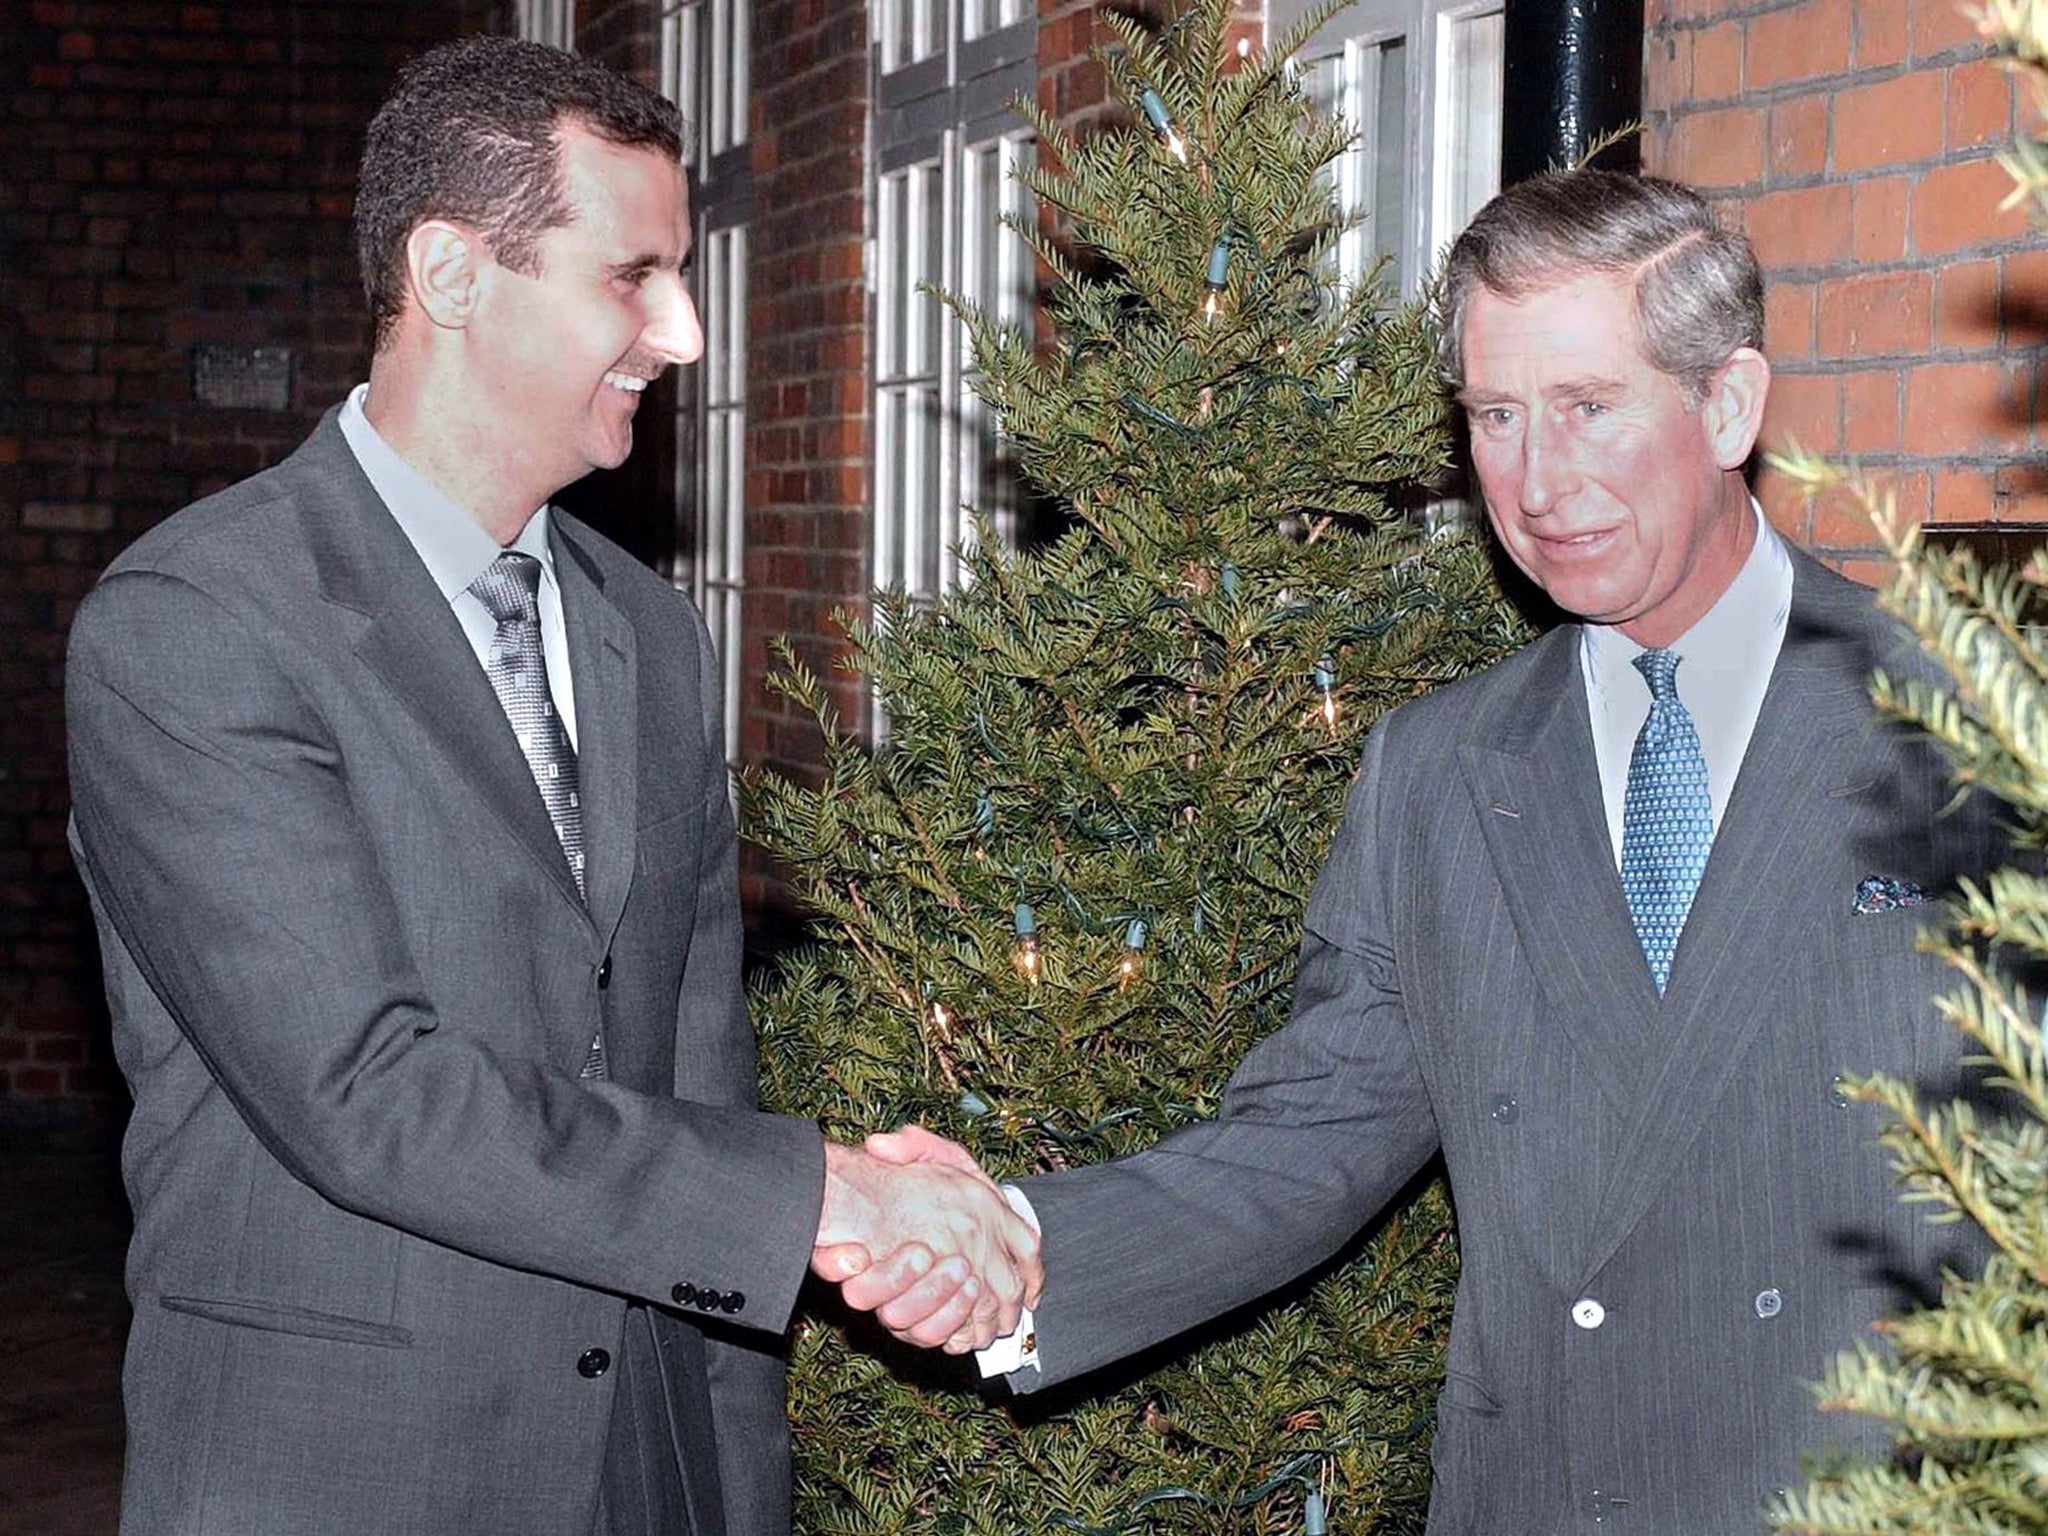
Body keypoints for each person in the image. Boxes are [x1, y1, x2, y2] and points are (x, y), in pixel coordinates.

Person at [833, 169, 2007, 1529]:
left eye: (1587, 408)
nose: (1535, 481)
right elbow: (1305, 1144)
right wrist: (1026, 1253)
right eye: (1496, 417)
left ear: (1729, 406)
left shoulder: (1967, 723)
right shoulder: (1442, 771)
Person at [65, 36, 1036, 1536]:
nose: (686, 332)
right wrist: (831, 1197)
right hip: (342, 1473)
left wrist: (732, 1485)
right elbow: (366, 1094)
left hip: (642, 1464)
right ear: (453, 274)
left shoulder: (644, 630)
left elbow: (693, 1074)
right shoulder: (196, 624)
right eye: (631, 276)